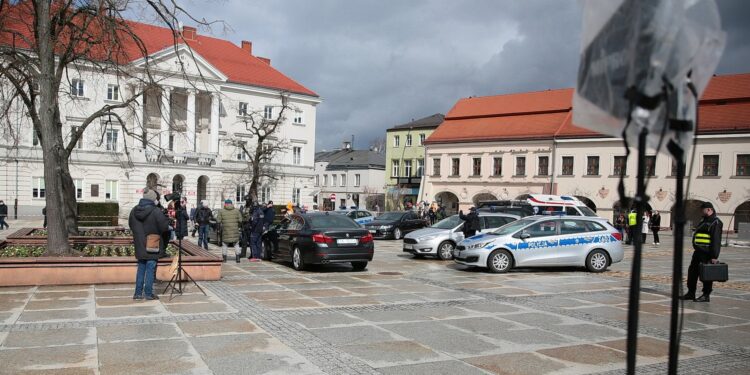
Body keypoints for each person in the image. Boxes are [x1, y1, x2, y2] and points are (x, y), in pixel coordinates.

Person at [129, 188, 170, 300]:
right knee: (150, 268)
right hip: (153, 244)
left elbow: (131, 225)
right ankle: (148, 293)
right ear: (153, 199)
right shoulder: (156, 211)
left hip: (139, 244)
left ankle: (137, 294)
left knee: (141, 268)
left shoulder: (134, 210)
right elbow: (164, 227)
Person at [682, 201, 723, 303]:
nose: (701, 211)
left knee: (706, 274)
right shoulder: (703, 220)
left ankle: (706, 295)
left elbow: (716, 240)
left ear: (709, 209)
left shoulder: (716, 222)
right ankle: (691, 293)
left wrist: (714, 256)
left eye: (702, 209)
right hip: (698, 252)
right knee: (692, 272)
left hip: (707, 253)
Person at [216, 199, 242, 263]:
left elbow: (218, 221)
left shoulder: (221, 211)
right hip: (235, 230)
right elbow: (240, 220)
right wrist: (238, 226)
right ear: (231, 204)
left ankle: (224, 258)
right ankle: (238, 258)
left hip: (225, 231)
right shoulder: (237, 211)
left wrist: (219, 229)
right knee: (236, 244)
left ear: (225, 204)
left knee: (225, 244)